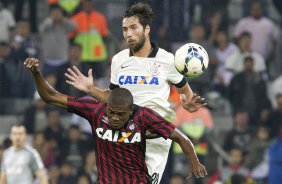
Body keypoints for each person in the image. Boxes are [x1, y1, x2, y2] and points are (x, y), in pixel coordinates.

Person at [64, 3, 206, 183]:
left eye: (133, 28)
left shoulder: (168, 60)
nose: (128, 33)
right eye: (124, 29)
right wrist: (90, 89)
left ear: (146, 29)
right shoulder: (119, 60)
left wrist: (186, 103)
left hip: (155, 139)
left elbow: (185, 92)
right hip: (126, 138)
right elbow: (112, 98)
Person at [24, 57, 207, 184]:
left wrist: (194, 160)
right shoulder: (96, 110)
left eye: (120, 114)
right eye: (111, 112)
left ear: (131, 110)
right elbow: (50, 97)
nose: (114, 118)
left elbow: (180, 137)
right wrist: (36, 73)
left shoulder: (144, 116)